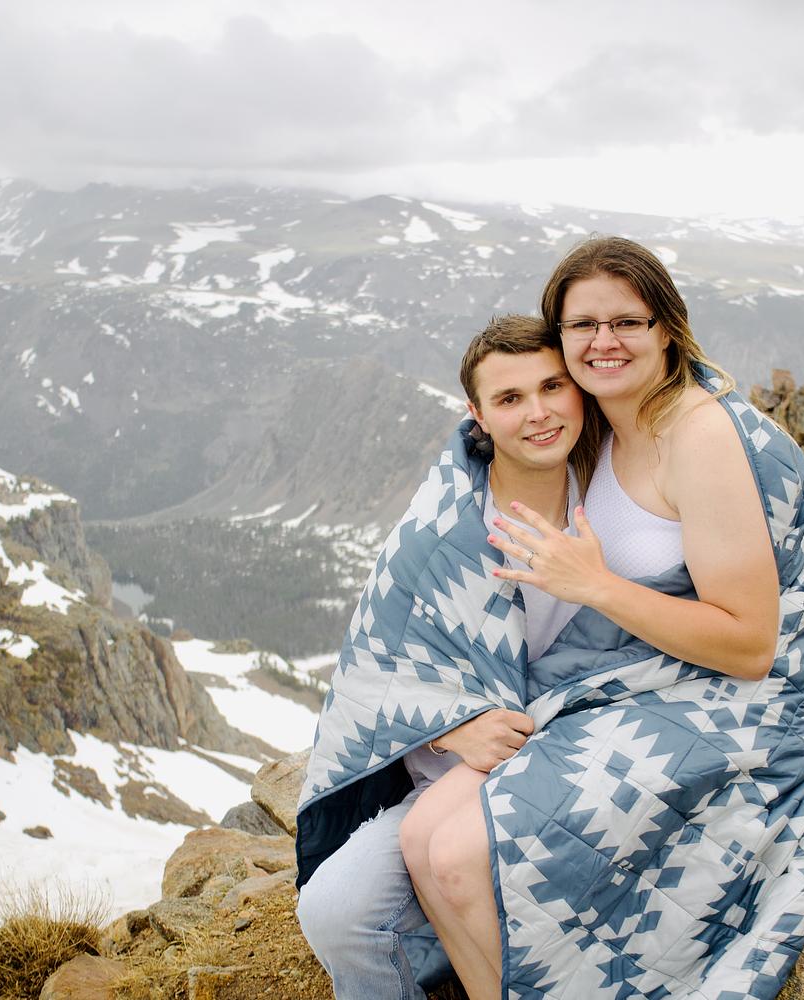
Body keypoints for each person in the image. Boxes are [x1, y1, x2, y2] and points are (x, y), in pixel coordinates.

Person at [398, 236, 804, 999]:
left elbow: (751, 645)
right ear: (560, 338)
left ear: (666, 327)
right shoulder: (599, 422)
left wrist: (595, 586)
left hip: (722, 695)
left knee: (463, 852)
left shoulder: (698, 436)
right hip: (629, 676)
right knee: (421, 835)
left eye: (626, 321)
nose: (604, 341)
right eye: (583, 325)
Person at [295, 314, 596, 999]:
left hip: (578, 768)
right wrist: (448, 729)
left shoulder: (616, 500)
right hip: (453, 786)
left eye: (553, 386)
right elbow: (367, 674)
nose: (539, 412)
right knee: (336, 914)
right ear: (478, 415)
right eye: (510, 398)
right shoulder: (436, 534)